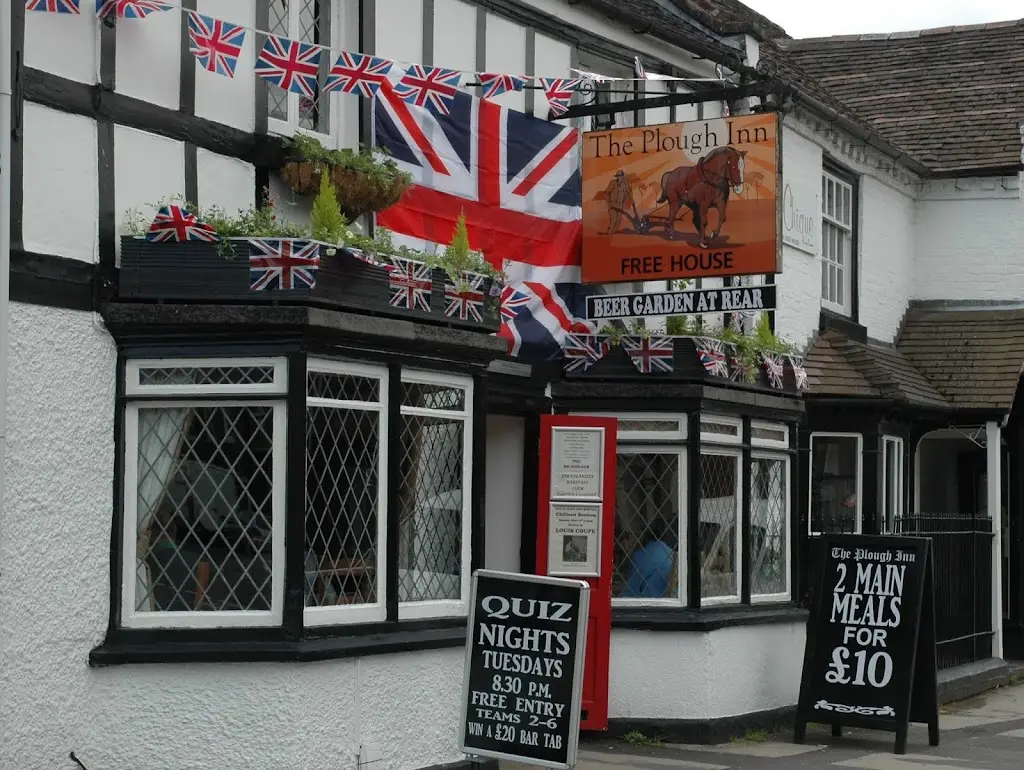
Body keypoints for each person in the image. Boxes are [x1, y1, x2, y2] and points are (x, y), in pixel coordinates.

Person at [622, 514, 676, 598]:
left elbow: (630, 593)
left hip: (648, 605)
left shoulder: (639, 556)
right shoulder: (671, 553)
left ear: (644, 535)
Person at [604, 169, 636, 234]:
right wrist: (608, 204)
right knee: (614, 221)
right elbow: (606, 193)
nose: (619, 177)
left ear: (623, 176)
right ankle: (608, 235)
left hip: (620, 205)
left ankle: (611, 235)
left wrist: (632, 200)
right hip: (612, 205)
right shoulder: (613, 183)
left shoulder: (625, 183)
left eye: (620, 176)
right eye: (618, 176)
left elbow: (629, 191)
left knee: (618, 222)